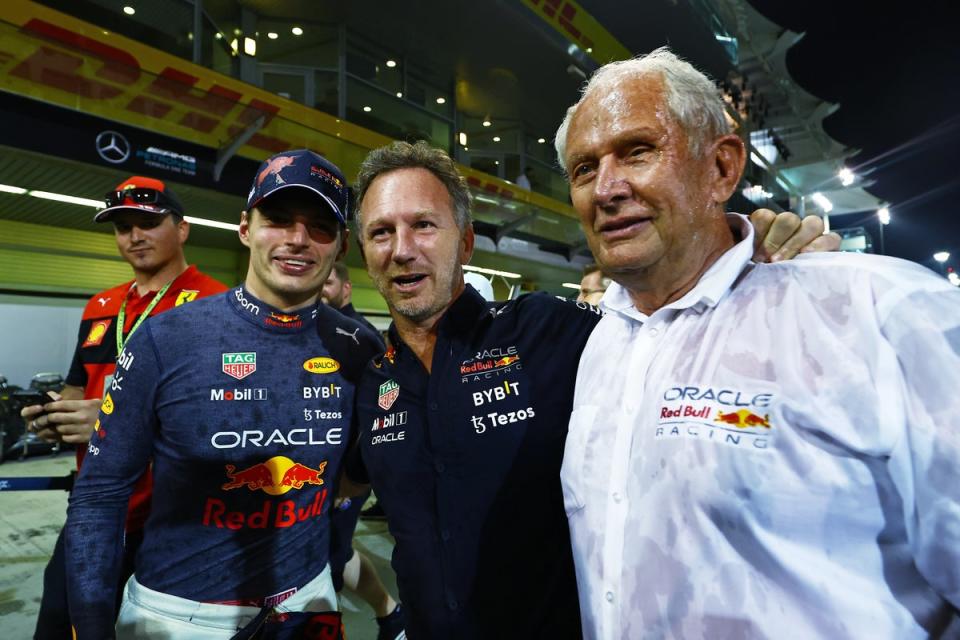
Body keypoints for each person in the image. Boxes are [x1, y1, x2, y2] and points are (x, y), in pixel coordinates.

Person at [339, 140, 836, 638]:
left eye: (423, 225)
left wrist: (750, 268)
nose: (402, 249)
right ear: (365, 251)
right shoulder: (372, 379)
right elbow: (346, 479)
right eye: (382, 232)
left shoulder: (545, 330)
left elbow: (668, 323)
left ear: (465, 243)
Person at [555, 47, 960, 638]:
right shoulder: (600, 345)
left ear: (721, 169)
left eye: (638, 151)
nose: (607, 188)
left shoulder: (880, 313)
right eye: (584, 169)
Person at [63, 150, 382, 639]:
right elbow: (100, 495)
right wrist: (89, 625)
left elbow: (354, 479)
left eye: (320, 226)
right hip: (177, 615)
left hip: (309, 600)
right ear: (245, 228)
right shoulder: (166, 339)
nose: (297, 239)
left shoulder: (360, 348)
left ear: (340, 247)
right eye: (277, 219)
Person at [20, 175, 227, 639]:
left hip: (176, 517)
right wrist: (58, 416)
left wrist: (117, 422)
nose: (134, 236)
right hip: (95, 507)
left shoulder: (216, 304)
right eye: (122, 227)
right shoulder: (100, 306)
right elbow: (78, 389)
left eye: (148, 223)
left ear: (183, 227)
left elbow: (224, 418)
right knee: (57, 626)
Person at [321, 261, 406, 639]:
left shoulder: (362, 340)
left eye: (328, 283)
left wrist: (351, 483)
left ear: (346, 289)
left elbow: (379, 419)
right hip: (309, 476)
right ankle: (390, 611)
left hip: (344, 478)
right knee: (338, 556)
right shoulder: (306, 332)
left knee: (331, 560)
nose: (321, 289)